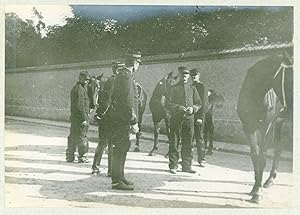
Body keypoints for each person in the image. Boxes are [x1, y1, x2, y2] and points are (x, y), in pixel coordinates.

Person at [109, 51, 141, 190]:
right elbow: (128, 102)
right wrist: (133, 121)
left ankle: (120, 177)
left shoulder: (122, 75)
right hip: (123, 120)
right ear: (134, 63)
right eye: (138, 62)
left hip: (119, 119)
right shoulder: (127, 77)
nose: (138, 65)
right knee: (121, 149)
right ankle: (117, 181)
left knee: (122, 148)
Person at [166, 66, 201, 174]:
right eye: (182, 75)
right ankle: (174, 165)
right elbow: (167, 104)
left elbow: (198, 103)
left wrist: (193, 109)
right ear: (179, 76)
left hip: (189, 120)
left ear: (188, 77)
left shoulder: (192, 89)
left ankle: (187, 165)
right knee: (174, 142)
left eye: (186, 75)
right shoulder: (173, 89)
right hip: (176, 119)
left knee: (188, 142)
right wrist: (177, 108)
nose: (184, 77)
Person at [91, 62, 124, 176]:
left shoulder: (110, 80)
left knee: (103, 142)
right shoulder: (114, 81)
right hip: (109, 117)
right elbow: (108, 100)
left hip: (106, 116)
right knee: (109, 143)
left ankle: (96, 167)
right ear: (117, 71)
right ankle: (109, 170)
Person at [66, 71, 90, 163]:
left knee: (72, 136)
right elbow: (80, 105)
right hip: (80, 118)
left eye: (88, 80)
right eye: (85, 79)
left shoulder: (76, 88)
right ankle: (82, 157)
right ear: (80, 78)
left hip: (75, 117)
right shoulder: (80, 89)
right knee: (82, 137)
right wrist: (84, 118)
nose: (87, 81)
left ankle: (70, 156)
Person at [190, 68, 209, 167]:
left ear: (198, 76)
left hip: (198, 116)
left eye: (195, 75)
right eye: (192, 76)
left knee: (199, 137)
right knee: (189, 137)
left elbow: (205, 103)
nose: (193, 77)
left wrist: (201, 117)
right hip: (190, 115)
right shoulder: (190, 86)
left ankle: (202, 159)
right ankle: (190, 158)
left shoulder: (202, 87)